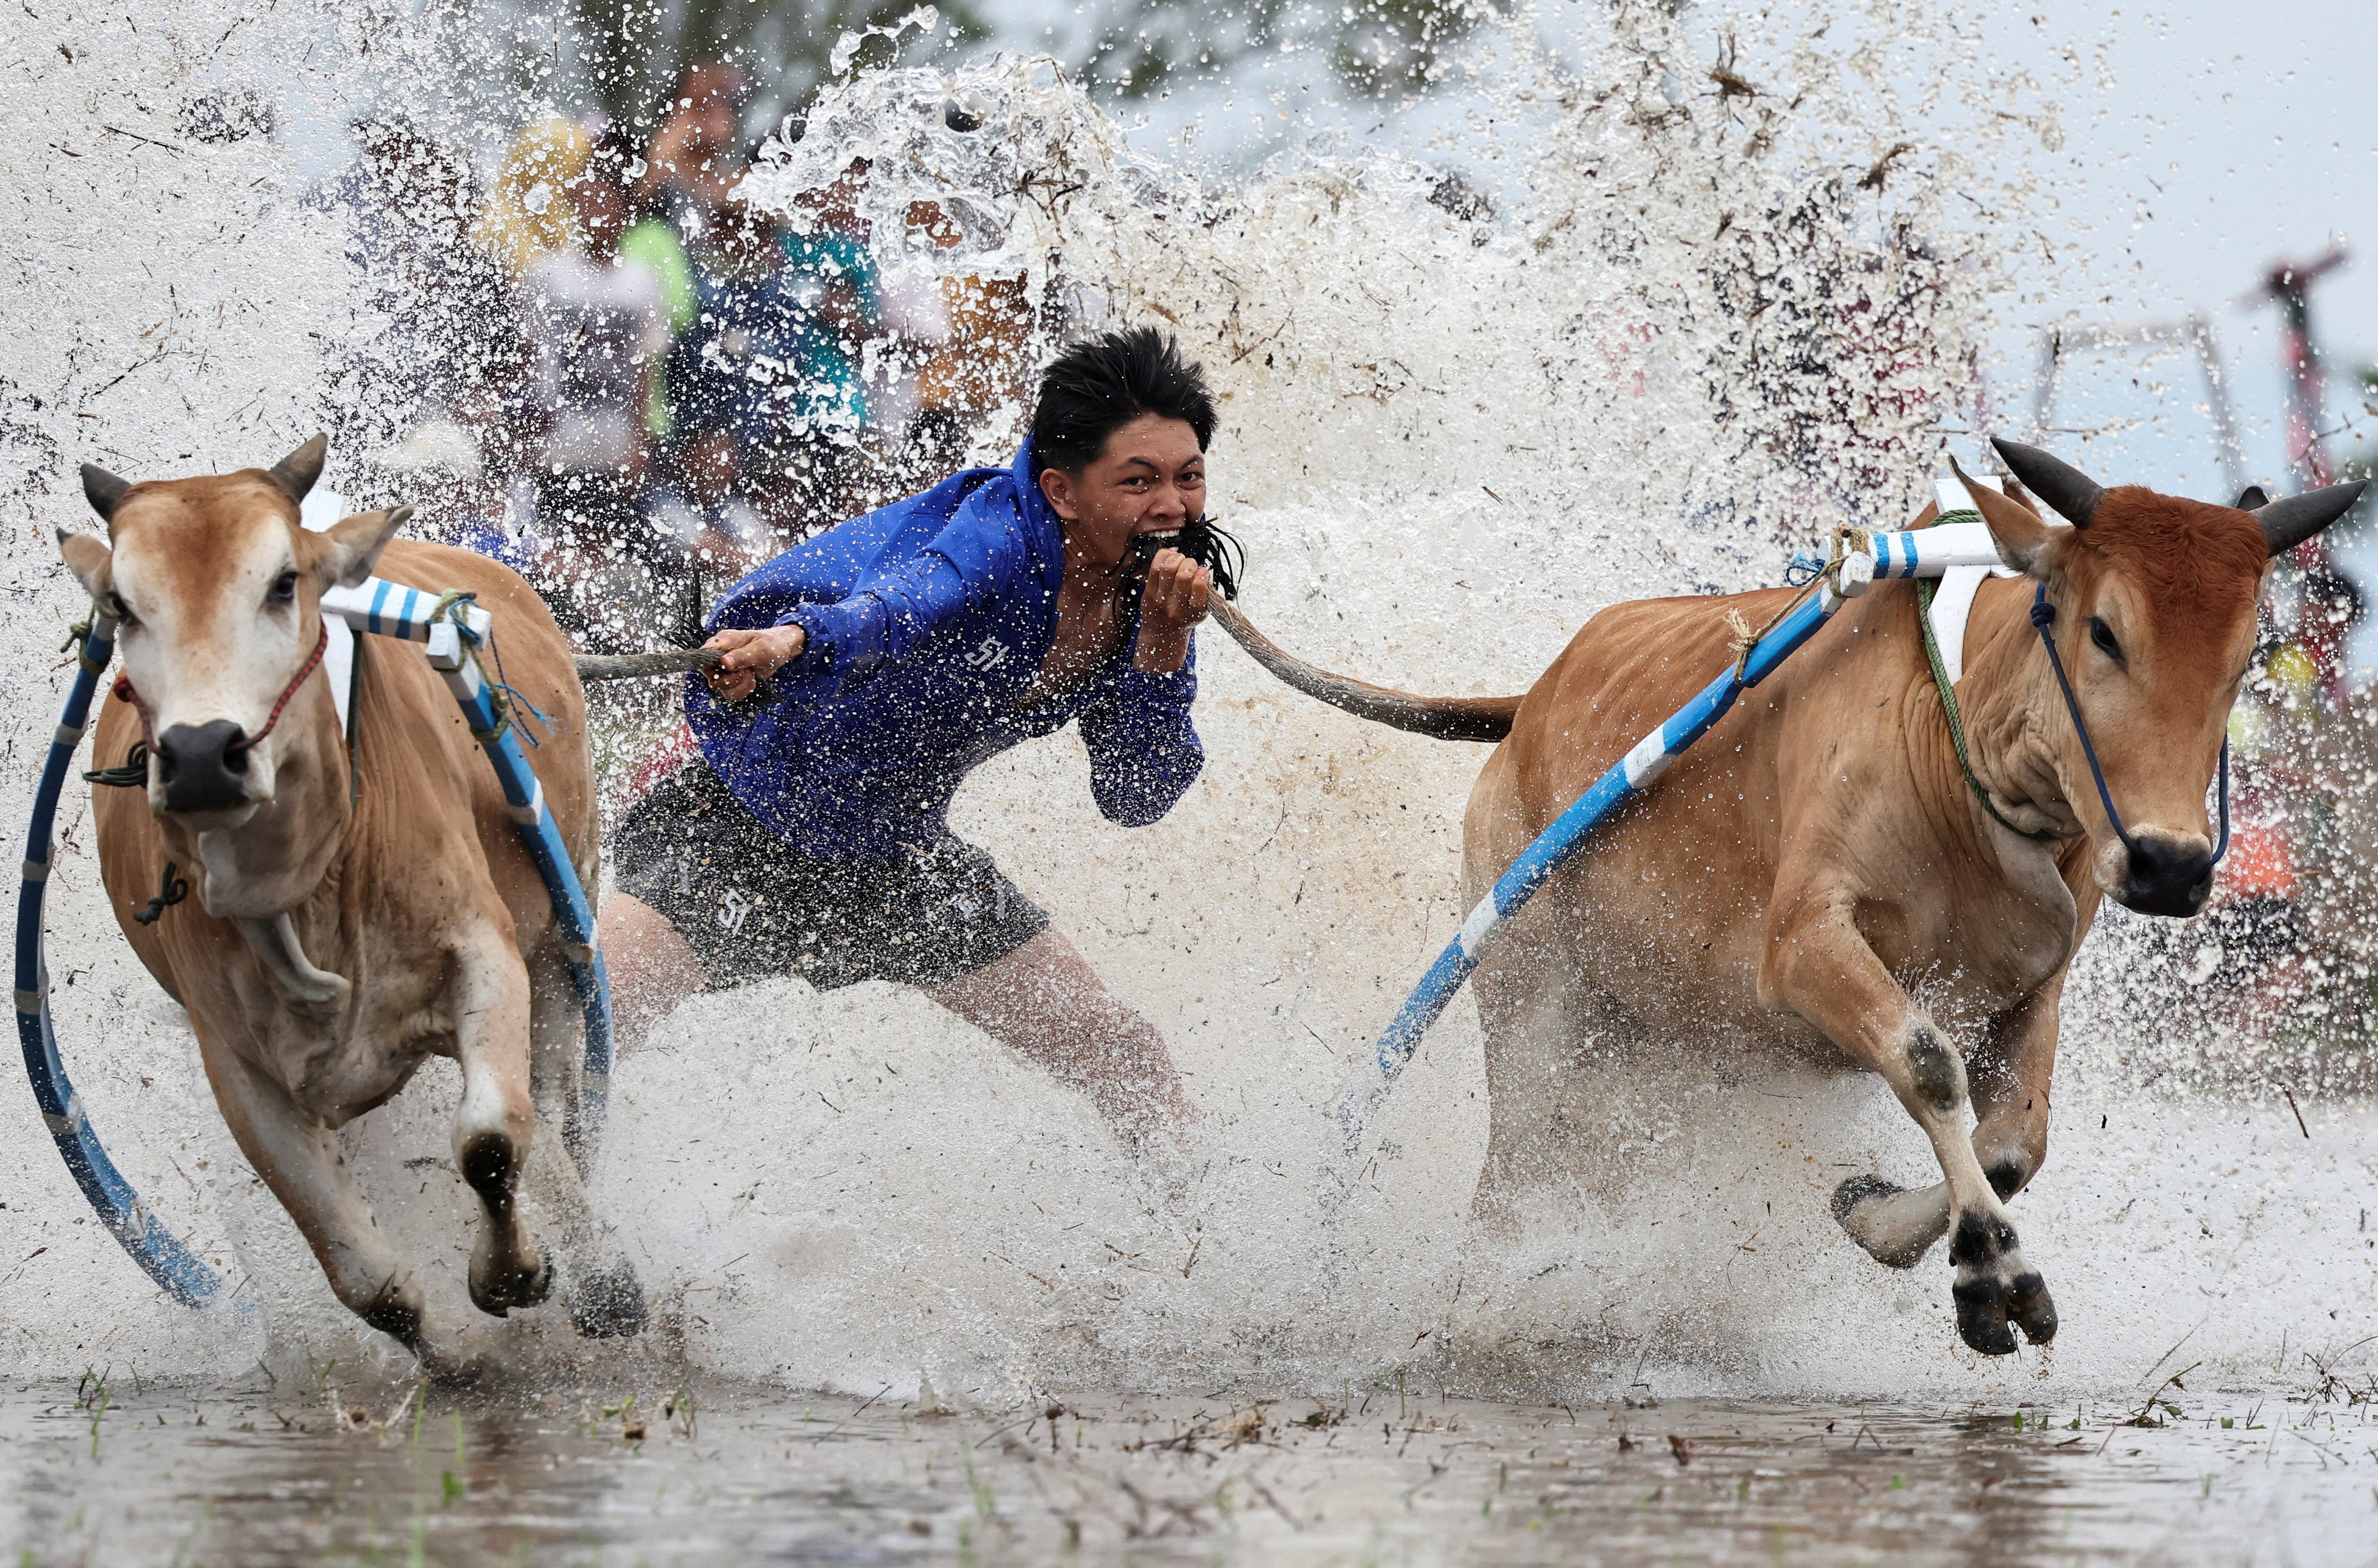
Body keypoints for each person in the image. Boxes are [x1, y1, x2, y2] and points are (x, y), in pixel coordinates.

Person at [603, 326, 1219, 1161]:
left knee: (1128, 1059)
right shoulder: (997, 537)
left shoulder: (1153, 602)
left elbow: (1136, 797)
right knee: (582, 1038)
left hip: (901, 866)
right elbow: (900, 608)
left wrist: (1161, 651)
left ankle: (1190, 1271)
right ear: (1062, 492)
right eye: (1138, 480)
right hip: (733, 836)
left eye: (1188, 478)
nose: (1172, 508)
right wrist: (790, 641)